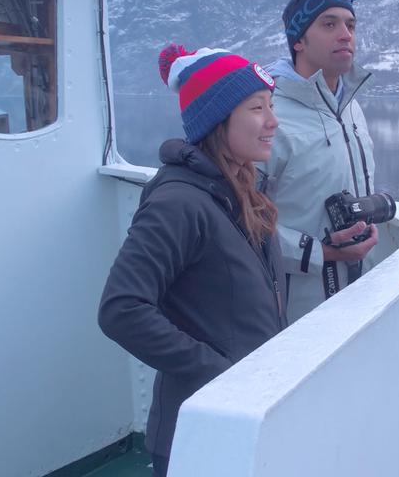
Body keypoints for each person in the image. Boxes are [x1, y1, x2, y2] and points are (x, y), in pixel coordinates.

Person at [98, 44, 286, 477]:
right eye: (258, 108)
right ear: (218, 121)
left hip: (245, 417)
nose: (273, 121)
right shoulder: (178, 202)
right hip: (198, 431)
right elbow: (120, 309)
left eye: (271, 106)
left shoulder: (243, 191)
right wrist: (221, 374)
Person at [259, 0, 384, 322]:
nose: (346, 34)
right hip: (295, 311)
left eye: (351, 25)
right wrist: (322, 253)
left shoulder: (351, 108)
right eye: (329, 24)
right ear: (299, 40)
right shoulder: (268, 113)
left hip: (359, 296)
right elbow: (238, 220)